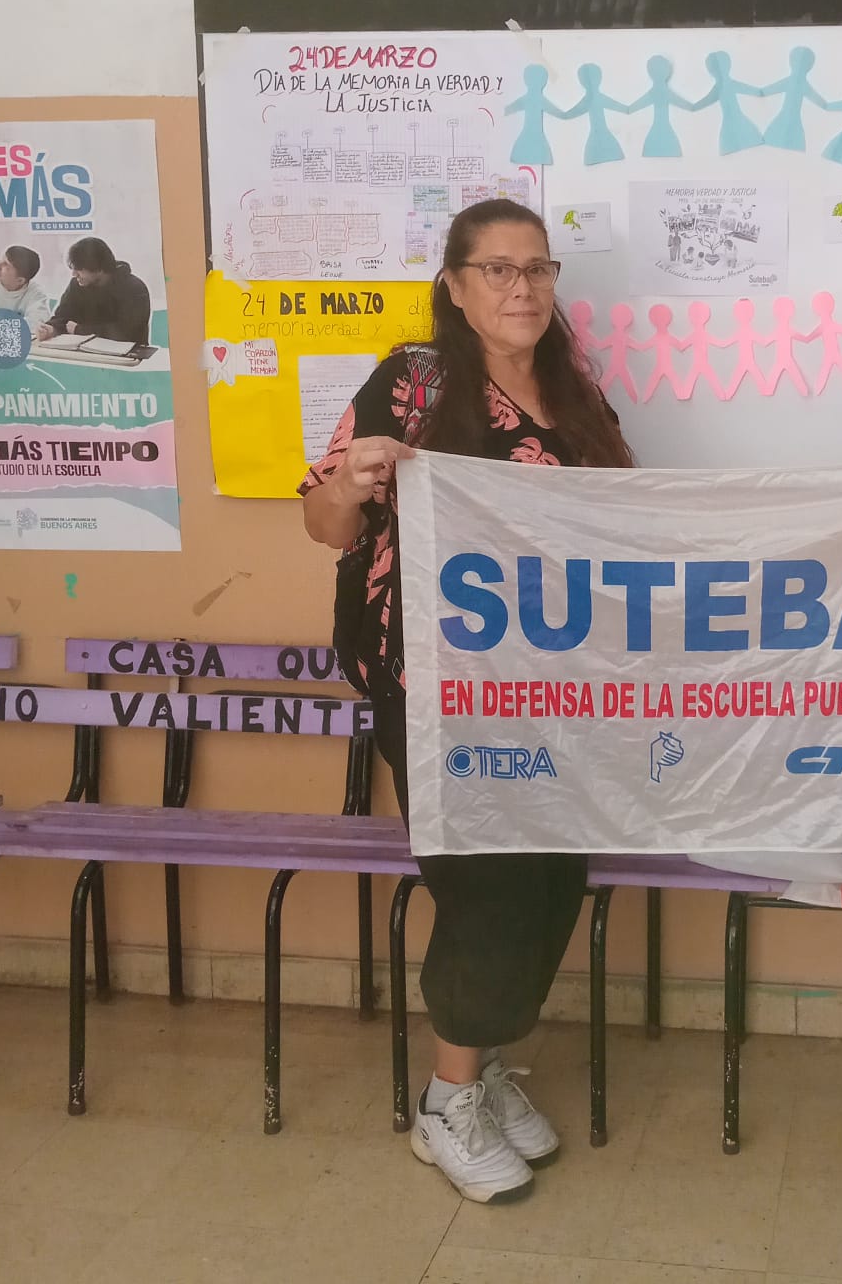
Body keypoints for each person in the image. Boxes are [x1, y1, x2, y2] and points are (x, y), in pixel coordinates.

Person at [301, 199, 633, 1205]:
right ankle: (445, 1103)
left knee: (554, 879)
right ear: (454, 284)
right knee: (489, 885)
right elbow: (324, 521)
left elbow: (626, 524)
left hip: (554, 691)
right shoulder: (414, 382)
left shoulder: (576, 395)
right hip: (437, 694)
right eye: (497, 269)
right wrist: (353, 482)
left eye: (538, 268)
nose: (521, 287)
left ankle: (480, 1073)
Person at [38, 237, 150, 343]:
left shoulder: (135, 288)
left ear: (99, 268)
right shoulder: (77, 284)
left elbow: (127, 332)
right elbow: (63, 316)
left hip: (127, 353)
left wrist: (80, 330)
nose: (74, 274)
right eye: (73, 268)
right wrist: (51, 328)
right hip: (84, 350)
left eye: (79, 269)